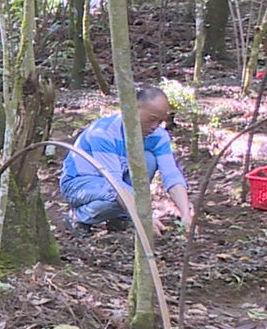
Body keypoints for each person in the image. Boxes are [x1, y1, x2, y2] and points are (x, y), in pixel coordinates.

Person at [59, 86, 194, 237]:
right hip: (79, 184)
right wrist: (145, 217)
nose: (155, 126)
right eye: (152, 119)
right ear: (133, 109)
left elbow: (171, 174)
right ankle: (78, 216)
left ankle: (120, 217)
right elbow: (114, 184)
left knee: (148, 160)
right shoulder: (103, 133)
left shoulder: (158, 136)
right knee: (118, 198)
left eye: (160, 121)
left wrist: (186, 214)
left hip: (114, 183)